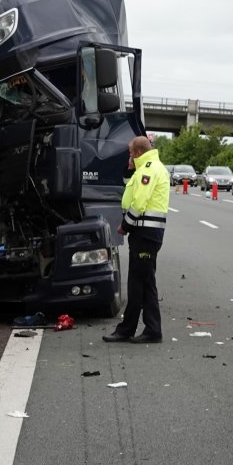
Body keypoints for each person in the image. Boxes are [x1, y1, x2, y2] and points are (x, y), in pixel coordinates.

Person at [103, 136, 169, 344]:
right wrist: (129, 168)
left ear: (138, 152)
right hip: (145, 234)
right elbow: (130, 190)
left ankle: (129, 329)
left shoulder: (149, 169)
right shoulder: (145, 168)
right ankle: (150, 329)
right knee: (145, 281)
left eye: (131, 153)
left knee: (138, 283)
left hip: (145, 233)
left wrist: (125, 225)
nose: (129, 156)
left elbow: (139, 203)